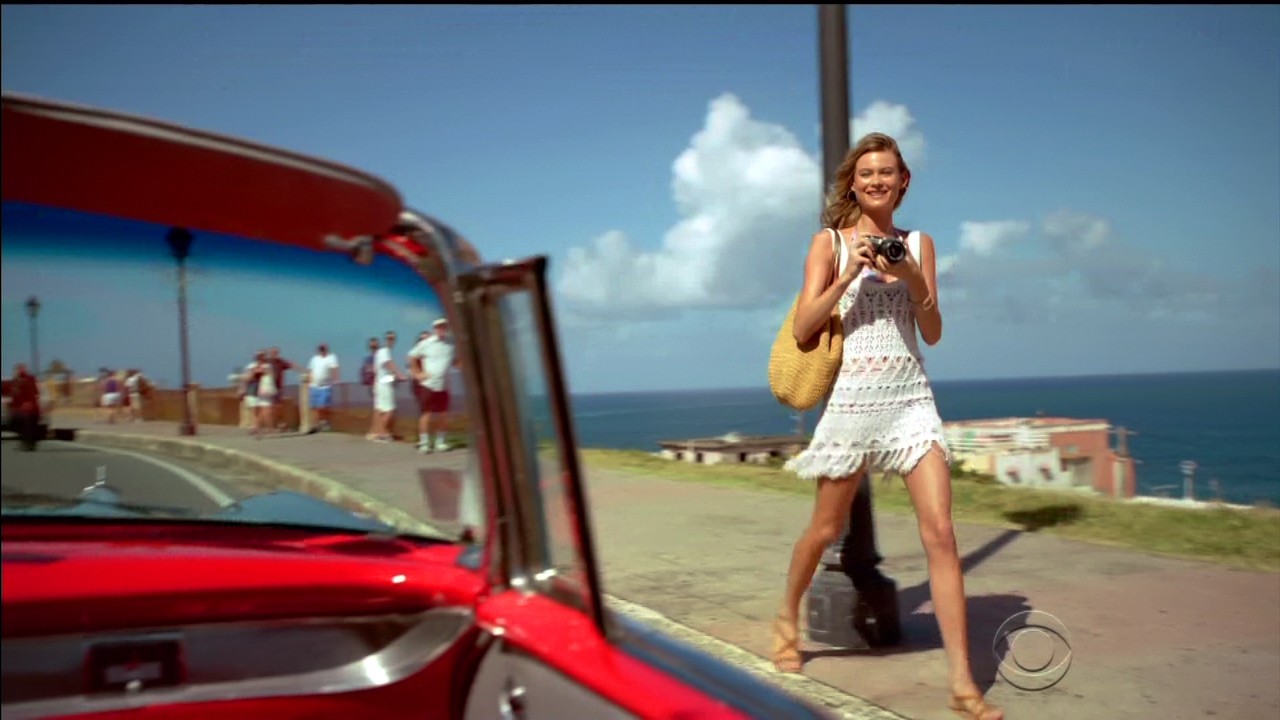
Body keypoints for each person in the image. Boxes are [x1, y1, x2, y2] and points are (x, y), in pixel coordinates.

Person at [772, 133, 1002, 720]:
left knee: (941, 533)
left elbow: (933, 332)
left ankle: (961, 683)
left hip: (911, 401)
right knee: (826, 528)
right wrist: (850, 273)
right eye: (867, 173)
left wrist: (912, 276)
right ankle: (786, 617)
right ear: (853, 184)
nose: (877, 180)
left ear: (903, 183)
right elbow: (803, 326)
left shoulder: (918, 243)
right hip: (852, 402)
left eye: (887, 172)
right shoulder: (827, 243)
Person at [407, 318, 458, 453]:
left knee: (443, 414)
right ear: (434, 329)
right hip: (428, 385)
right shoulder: (426, 343)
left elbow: (455, 361)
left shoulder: (451, 343)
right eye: (439, 327)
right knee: (426, 414)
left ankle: (440, 442)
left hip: (444, 385)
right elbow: (411, 356)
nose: (441, 329)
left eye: (444, 327)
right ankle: (424, 443)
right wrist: (417, 373)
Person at [366, 330, 405, 442]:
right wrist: (399, 375)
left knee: (380, 410)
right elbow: (389, 364)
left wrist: (394, 378)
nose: (390, 341)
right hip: (384, 385)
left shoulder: (380, 353)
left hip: (381, 384)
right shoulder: (384, 351)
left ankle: (375, 433)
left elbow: (378, 370)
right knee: (390, 409)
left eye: (392, 339)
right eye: (388, 338)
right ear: (384, 340)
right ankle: (381, 433)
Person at [306, 343, 340, 432]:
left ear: (326, 349)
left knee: (323, 405)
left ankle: (324, 421)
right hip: (314, 385)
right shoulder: (314, 359)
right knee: (314, 406)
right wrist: (309, 381)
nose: (322, 351)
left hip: (325, 386)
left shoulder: (331, 357)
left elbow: (335, 368)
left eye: (323, 349)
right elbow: (310, 370)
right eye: (320, 349)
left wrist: (336, 378)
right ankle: (315, 424)